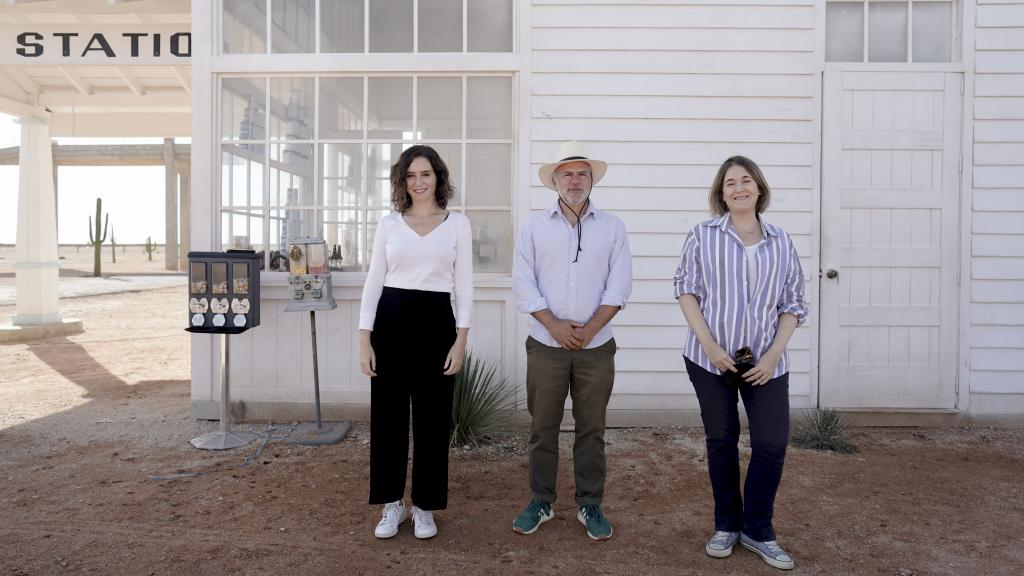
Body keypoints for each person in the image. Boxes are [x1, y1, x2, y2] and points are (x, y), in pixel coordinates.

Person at [673, 156, 807, 570]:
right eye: (730, 183)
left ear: (759, 189)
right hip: (710, 360)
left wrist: (772, 355)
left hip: (765, 362)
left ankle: (758, 529)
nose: (738, 188)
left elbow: (794, 304)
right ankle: (727, 525)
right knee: (722, 440)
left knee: (771, 443)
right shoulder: (702, 235)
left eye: (746, 180)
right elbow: (685, 290)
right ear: (721, 193)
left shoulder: (781, 241)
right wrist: (711, 346)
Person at [511, 141, 632, 540]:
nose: (575, 181)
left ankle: (590, 505)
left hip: (597, 348)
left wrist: (591, 328)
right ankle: (541, 501)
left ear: (592, 181)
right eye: (567, 174)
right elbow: (524, 281)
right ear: (555, 182)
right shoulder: (533, 226)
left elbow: (619, 285)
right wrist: (556, 326)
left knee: (591, 429)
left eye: (582, 174)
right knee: (542, 428)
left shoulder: (613, 227)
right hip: (546, 344)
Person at [358, 145, 473, 540]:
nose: (418, 182)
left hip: (437, 324)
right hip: (390, 323)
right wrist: (364, 338)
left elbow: (465, 286)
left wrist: (460, 341)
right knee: (388, 420)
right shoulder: (389, 224)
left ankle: (424, 507)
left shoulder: (457, 224)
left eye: (425, 174)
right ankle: (392, 504)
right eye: (411, 176)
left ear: (438, 177)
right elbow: (374, 281)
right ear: (401, 182)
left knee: (432, 421)